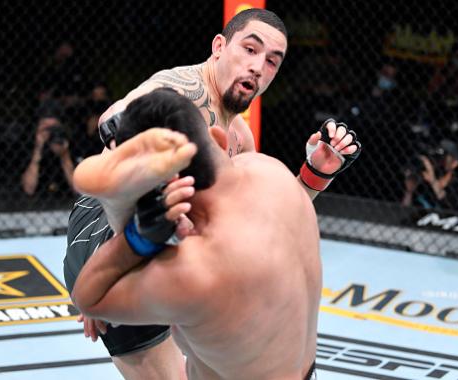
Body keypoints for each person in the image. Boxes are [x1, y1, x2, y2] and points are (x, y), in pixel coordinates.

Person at [65, 8, 360, 379]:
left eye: (272, 61)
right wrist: (106, 282)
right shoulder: (182, 91)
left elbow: (260, 221)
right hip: (109, 226)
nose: (258, 67)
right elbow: (115, 126)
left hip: (169, 240)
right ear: (219, 46)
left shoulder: (241, 136)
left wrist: (315, 174)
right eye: (250, 50)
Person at [70, 88, 324, 379]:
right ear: (219, 139)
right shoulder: (271, 171)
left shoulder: (193, 269)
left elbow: (88, 297)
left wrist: (136, 239)